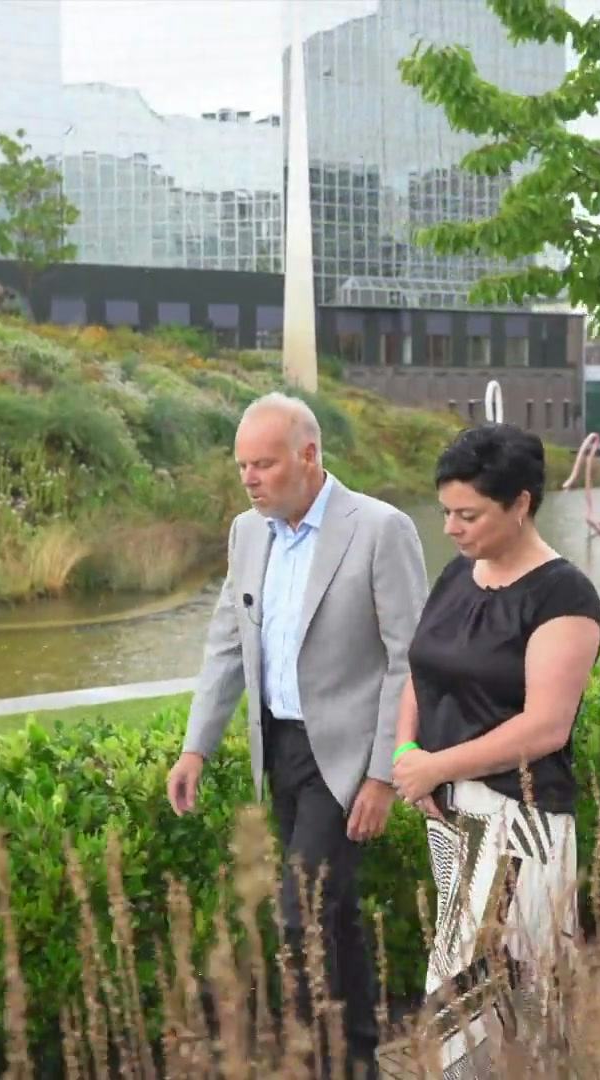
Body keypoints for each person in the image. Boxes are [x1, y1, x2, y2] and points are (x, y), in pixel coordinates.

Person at [167, 391, 428, 1079]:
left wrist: (382, 774)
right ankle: (357, 1060)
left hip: (344, 759)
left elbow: (409, 660)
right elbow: (227, 644)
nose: (249, 479)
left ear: (308, 456)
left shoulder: (380, 529)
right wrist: (196, 747)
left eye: (264, 464)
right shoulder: (246, 533)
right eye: (242, 466)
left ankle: (319, 1062)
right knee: (333, 914)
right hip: (278, 750)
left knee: (301, 912)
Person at [388, 422, 600, 1076]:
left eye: (469, 514)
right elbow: (421, 669)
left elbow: (545, 728)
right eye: (446, 512)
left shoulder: (564, 596)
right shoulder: (458, 574)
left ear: (520, 504)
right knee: (490, 997)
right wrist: (406, 753)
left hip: (519, 821)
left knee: (481, 992)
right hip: (450, 817)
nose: (451, 528)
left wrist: (436, 765)